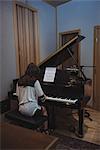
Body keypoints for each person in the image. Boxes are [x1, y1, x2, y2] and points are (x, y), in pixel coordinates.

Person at [16, 62, 48, 133]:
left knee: (39, 107)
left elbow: (18, 96)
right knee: (44, 109)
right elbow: (42, 98)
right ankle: (45, 131)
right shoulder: (35, 81)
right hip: (31, 110)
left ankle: (37, 129)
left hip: (21, 109)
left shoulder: (19, 81)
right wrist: (45, 97)